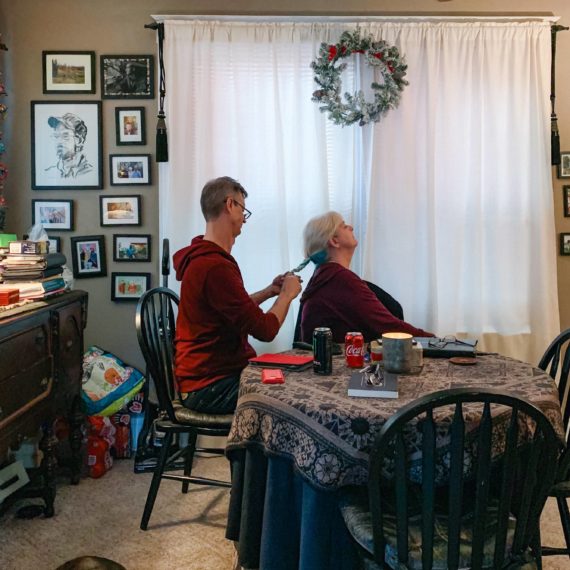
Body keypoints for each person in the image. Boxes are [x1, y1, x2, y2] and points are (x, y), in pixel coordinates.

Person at [174, 176, 302, 414]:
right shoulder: (214, 267)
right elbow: (265, 330)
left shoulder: (204, 259)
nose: (244, 219)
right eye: (243, 209)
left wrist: (269, 291)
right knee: (291, 397)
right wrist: (286, 296)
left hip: (203, 380)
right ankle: (252, 452)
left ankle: (250, 452)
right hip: (208, 387)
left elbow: (231, 312)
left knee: (287, 379)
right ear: (230, 205)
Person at [300, 211, 435, 343]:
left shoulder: (326, 277)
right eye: (344, 226)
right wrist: (432, 340)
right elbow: (386, 325)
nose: (351, 227)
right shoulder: (339, 278)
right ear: (334, 241)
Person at [45, 113, 93, 178]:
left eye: (65, 136)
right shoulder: (48, 173)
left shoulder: (90, 173)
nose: (58, 142)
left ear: (79, 140)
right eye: (56, 136)